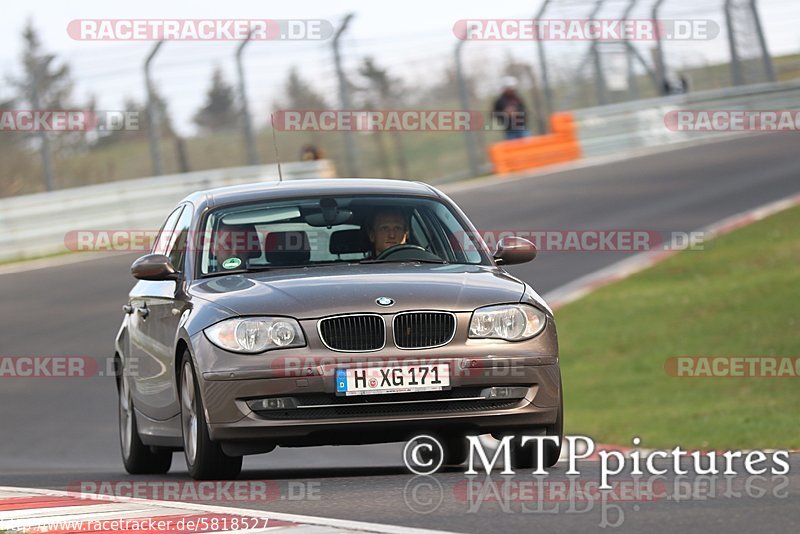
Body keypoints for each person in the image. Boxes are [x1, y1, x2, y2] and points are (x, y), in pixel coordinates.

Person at [493, 76, 531, 140]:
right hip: (510, 131)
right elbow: (495, 114)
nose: (511, 90)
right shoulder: (499, 101)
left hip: (522, 129)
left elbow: (525, 111)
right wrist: (505, 113)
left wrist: (517, 112)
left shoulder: (518, 99)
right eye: (509, 88)